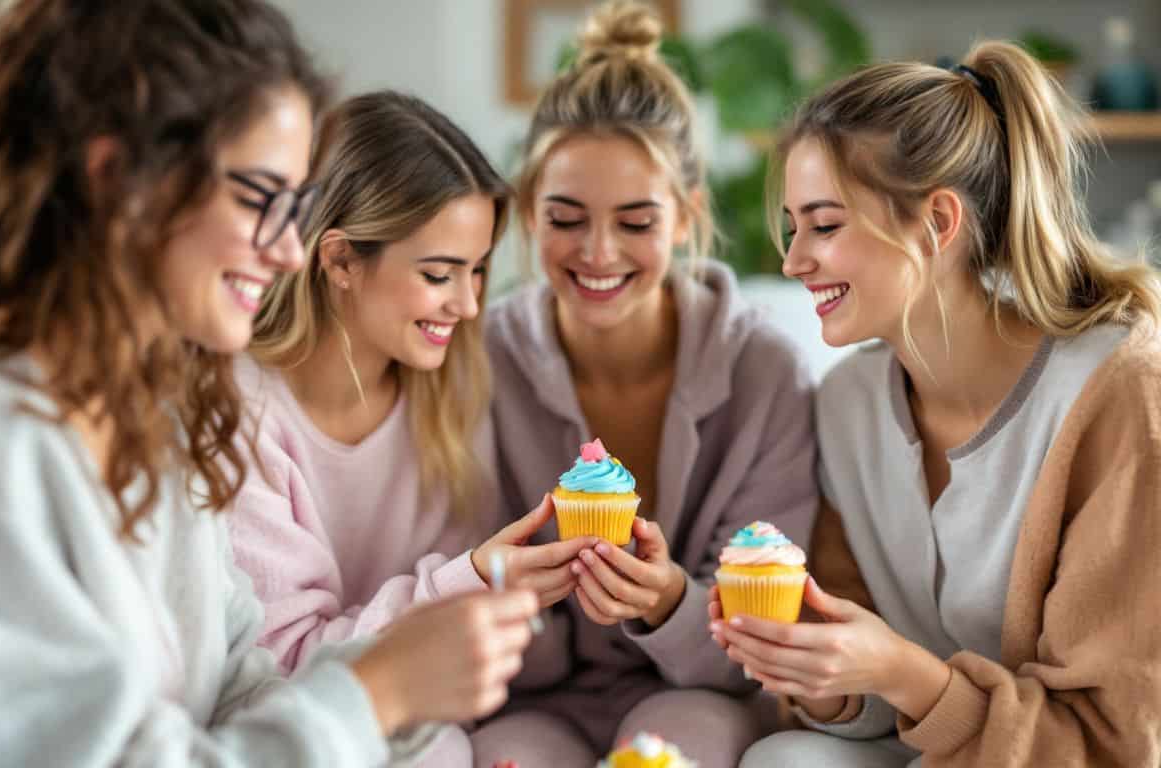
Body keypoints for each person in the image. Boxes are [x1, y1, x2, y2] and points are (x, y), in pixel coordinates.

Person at [0, 2, 539, 765]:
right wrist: (376, 694)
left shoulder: (154, 421)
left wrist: (400, 705)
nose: (292, 252)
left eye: (297, 210)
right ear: (120, 183)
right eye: (261, 200)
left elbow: (232, 688)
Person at [717, 40, 1161, 768]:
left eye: (825, 226)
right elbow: (863, 716)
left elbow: (1115, 743)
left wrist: (899, 669)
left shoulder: (1117, 389)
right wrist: (817, 667)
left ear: (938, 224)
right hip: (933, 750)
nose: (794, 261)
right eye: (793, 228)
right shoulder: (846, 404)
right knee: (785, 758)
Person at [474, 2, 817, 766]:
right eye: (567, 218)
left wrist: (668, 602)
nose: (598, 254)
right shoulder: (479, 365)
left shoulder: (764, 374)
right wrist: (521, 595)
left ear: (688, 216)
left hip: (698, 696)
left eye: (636, 222)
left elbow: (762, 643)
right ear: (529, 213)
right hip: (530, 700)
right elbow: (465, 605)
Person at [231, 90, 595, 765]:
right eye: (438, 274)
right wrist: (471, 582)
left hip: (432, 726)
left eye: (480, 270)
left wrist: (522, 595)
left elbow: (465, 674)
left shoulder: (450, 390)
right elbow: (282, 671)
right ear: (339, 260)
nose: (468, 303)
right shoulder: (243, 414)